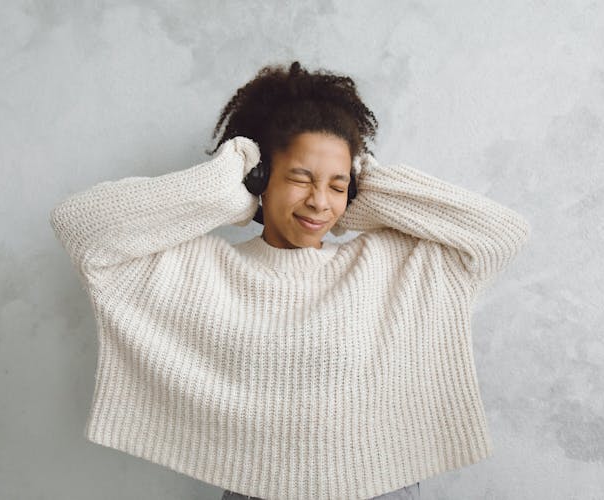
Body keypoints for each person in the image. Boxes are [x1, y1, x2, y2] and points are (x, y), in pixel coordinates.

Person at [49, 61, 530, 500]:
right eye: (301, 178)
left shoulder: (389, 266)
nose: (320, 202)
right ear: (262, 178)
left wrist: (370, 196)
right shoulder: (202, 274)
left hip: (381, 489)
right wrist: (227, 191)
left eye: (338, 185)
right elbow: (82, 228)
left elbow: (499, 234)